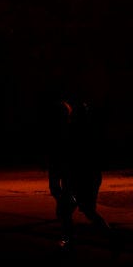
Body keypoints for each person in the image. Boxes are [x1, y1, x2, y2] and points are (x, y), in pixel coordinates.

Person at [47, 98, 113, 251]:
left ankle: (71, 240)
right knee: (78, 211)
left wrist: (56, 181)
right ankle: (110, 238)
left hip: (78, 178)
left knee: (74, 210)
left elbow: (61, 159)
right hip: (81, 178)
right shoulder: (75, 130)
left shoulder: (69, 132)